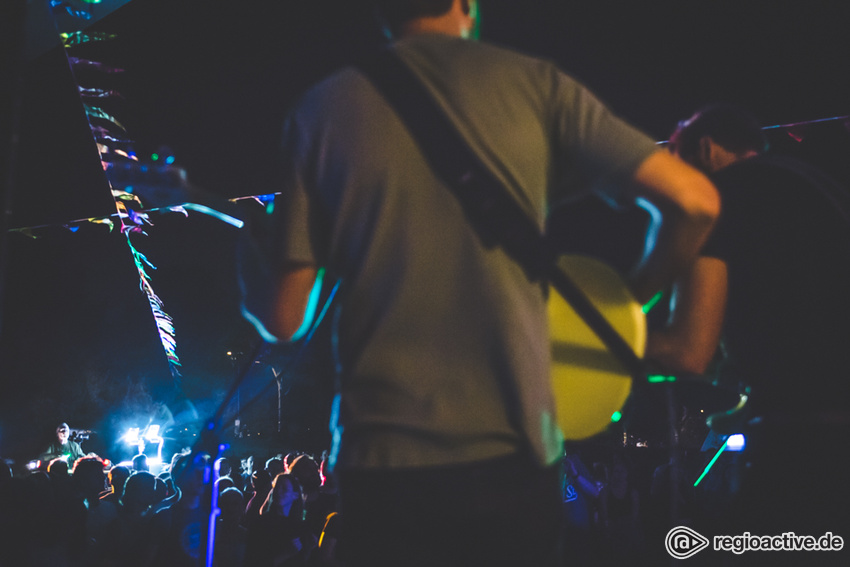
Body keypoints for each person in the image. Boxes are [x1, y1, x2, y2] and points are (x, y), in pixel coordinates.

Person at [239, 1, 719, 565]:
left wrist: (251, 237)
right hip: (515, 449)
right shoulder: (536, 85)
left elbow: (284, 319)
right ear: (466, 4)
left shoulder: (321, 110)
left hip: (384, 454)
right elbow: (694, 201)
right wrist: (631, 300)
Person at [648, 103, 850, 546]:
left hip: (809, 437)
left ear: (704, 148)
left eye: (675, 159)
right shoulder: (816, 186)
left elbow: (688, 351)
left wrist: (608, 341)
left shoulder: (716, 202)